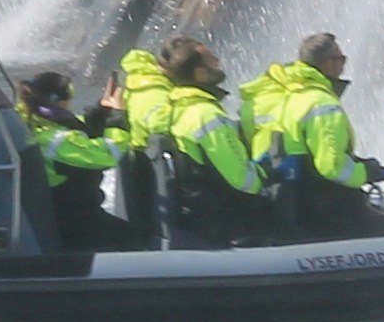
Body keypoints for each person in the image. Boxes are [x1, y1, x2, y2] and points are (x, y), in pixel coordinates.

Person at [241, 31, 384, 240]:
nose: (344, 64)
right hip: (327, 208)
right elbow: (332, 167)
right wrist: (374, 173)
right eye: (340, 59)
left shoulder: (279, 97)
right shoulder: (321, 103)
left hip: (287, 204)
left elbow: (303, 152)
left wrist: (371, 167)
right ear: (327, 64)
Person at [116, 38, 272, 245]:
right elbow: (243, 181)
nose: (218, 61)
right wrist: (267, 179)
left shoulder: (173, 110)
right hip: (221, 218)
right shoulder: (206, 115)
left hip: (192, 213)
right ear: (199, 73)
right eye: (211, 59)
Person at [19, 67, 127, 248]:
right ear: (57, 101)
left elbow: (78, 129)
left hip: (60, 216)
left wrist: (101, 111)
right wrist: (117, 118)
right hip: (72, 225)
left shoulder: (32, 121)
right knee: (135, 241)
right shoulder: (55, 141)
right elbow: (108, 154)